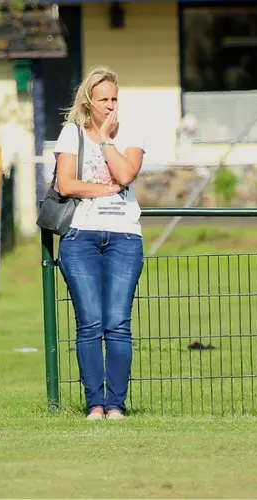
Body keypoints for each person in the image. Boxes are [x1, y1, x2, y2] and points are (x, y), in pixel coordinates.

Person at [53, 67, 145, 421]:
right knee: (90, 322)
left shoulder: (131, 134)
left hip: (124, 236)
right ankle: (95, 404)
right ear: (87, 102)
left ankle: (116, 405)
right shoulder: (71, 133)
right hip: (81, 236)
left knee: (118, 322)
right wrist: (105, 190)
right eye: (103, 99)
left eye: (114, 99)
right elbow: (66, 185)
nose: (110, 106)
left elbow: (125, 174)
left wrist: (107, 141)